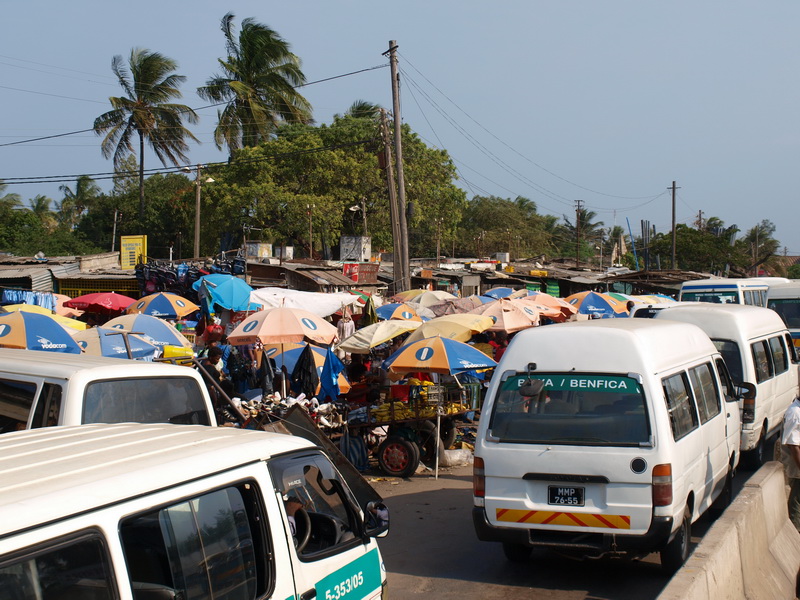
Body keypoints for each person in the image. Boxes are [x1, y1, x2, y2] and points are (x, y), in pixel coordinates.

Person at [781, 395, 800, 531]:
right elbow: (793, 446)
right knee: (797, 501)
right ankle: (795, 532)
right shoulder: (795, 413)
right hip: (797, 465)